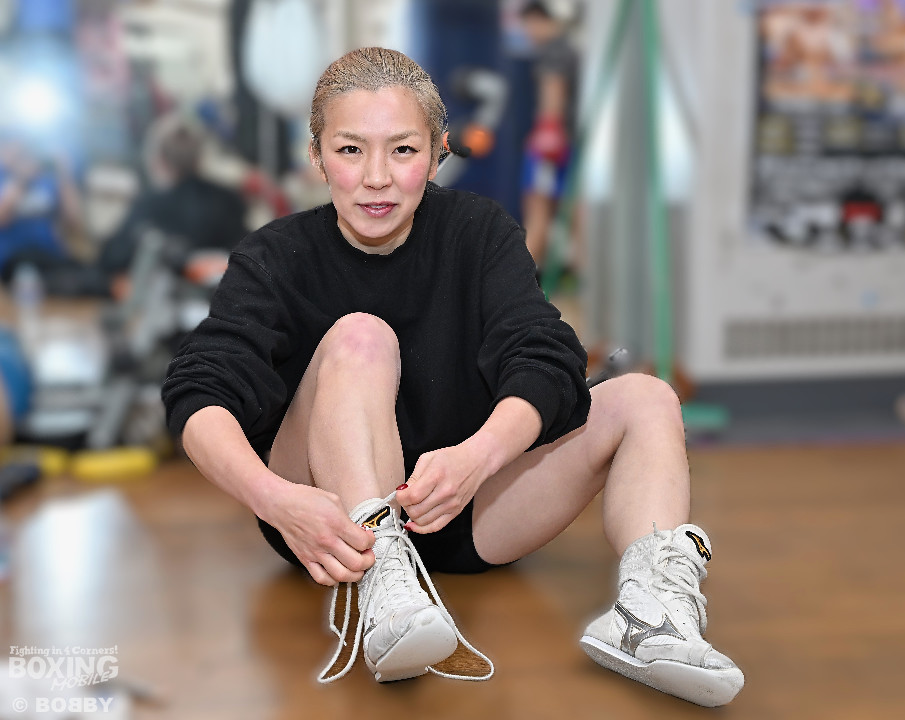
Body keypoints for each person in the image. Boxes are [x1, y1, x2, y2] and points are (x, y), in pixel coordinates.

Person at [162, 47, 744, 706]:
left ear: (437, 155)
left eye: (403, 151)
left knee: (646, 396)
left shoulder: (480, 231)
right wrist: (273, 500)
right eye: (350, 150)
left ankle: (651, 620)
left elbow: (546, 357)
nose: (377, 178)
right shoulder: (275, 255)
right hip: (329, 525)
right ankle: (385, 588)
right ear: (317, 156)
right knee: (361, 335)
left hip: (463, 504)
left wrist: (479, 456)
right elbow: (198, 390)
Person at [97, 114, 249, 283]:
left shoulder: (149, 206)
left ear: (158, 160)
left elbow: (109, 261)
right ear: (198, 159)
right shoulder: (229, 201)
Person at [518, 0, 579, 270]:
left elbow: (553, 92)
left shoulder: (554, 52)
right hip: (567, 143)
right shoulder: (568, 49)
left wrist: (546, 136)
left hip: (551, 144)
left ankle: (518, 282)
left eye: (529, 26)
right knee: (572, 211)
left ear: (540, 19)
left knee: (538, 209)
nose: (528, 33)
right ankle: (582, 274)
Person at [0, 131, 84, 282]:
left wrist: (64, 173)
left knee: (86, 274)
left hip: (49, 255)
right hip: (13, 259)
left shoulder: (47, 181)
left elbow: (73, 220)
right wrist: (21, 180)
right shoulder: (4, 179)